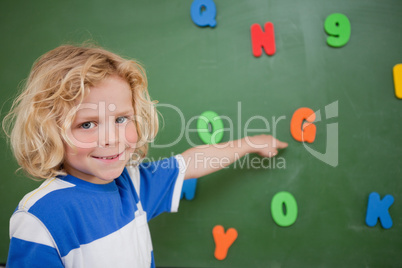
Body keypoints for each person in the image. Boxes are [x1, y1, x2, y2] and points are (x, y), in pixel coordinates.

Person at [3, 44, 288, 268]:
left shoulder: (134, 183)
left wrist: (250, 143)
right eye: (87, 124)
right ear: (49, 131)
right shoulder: (40, 217)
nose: (112, 138)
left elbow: (192, 161)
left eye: (121, 119)